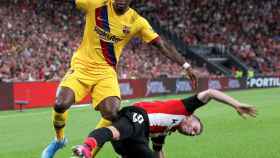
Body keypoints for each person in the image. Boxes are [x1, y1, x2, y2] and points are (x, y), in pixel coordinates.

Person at [41, 0, 197, 158]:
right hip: (82, 67)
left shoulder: (137, 21)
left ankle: (111, 151)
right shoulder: (95, 4)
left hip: (106, 73)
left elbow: (161, 44)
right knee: (60, 104)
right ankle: (59, 140)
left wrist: (185, 65)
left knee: (112, 114)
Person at [72, 89, 257, 158]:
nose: (192, 132)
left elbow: (159, 151)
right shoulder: (184, 109)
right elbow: (210, 93)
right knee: (116, 131)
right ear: (191, 117)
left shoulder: (164, 131)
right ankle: (87, 148)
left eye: (193, 134)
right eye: (195, 128)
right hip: (137, 116)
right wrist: (236, 104)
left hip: (135, 139)